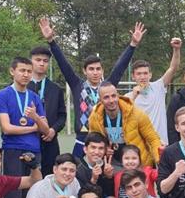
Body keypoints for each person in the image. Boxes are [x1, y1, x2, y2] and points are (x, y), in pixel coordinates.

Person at [39, 17, 146, 157]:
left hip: (103, 139)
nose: (95, 72)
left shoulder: (108, 87)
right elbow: (63, 64)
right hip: (82, 140)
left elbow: (120, 67)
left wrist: (133, 44)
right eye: (91, 69)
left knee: (106, 170)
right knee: (77, 169)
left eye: (98, 69)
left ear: (102, 71)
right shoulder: (77, 85)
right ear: (85, 71)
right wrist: (51, 41)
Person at [0, 56, 50, 198]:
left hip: (34, 153)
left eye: (29, 71)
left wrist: (35, 117)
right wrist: (33, 128)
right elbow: (7, 128)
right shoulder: (4, 95)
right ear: (12, 71)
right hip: (12, 152)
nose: (26, 74)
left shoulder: (34, 97)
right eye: (22, 70)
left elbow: (46, 129)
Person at [87, 82, 161, 167]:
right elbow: (93, 142)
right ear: (100, 100)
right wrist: (104, 150)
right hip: (111, 165)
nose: (111, 100)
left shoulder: (136, 114)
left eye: (113, 96)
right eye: (106, 97)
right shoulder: (95, 117)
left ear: (118, 96)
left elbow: (153, 139)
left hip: (137, 164)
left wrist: (159, 160)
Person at [127, 37, 181, 145]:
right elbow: (124, 119)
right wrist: (134, 96)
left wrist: (176, 49)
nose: (143, 77)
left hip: (161, 145)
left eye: (145, 73)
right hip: (141, 147)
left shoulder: (158, 87)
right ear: (133, 76)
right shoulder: (128, 97)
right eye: (139, 74)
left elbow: (173, 68)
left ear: (150, 75)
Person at [27, 46, 68, 176]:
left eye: (45, 61)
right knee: (27, 178)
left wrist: (53, 130)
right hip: (27, 140)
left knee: (50, 178)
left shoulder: (56, 89)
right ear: (31, 61)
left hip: (49, 142)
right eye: (38, 60)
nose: (41, 63)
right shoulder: (21, 87)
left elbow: (62, 116)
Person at [75, 133, 116, 198]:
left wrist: (109, 177)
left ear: (105, 151)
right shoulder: (77, 166)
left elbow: (109, 194)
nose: (97, 152)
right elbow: (80, 196)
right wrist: (93, 180)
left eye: (100, 148)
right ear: (85, 149)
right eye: (93, 147)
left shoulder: (105, 166)